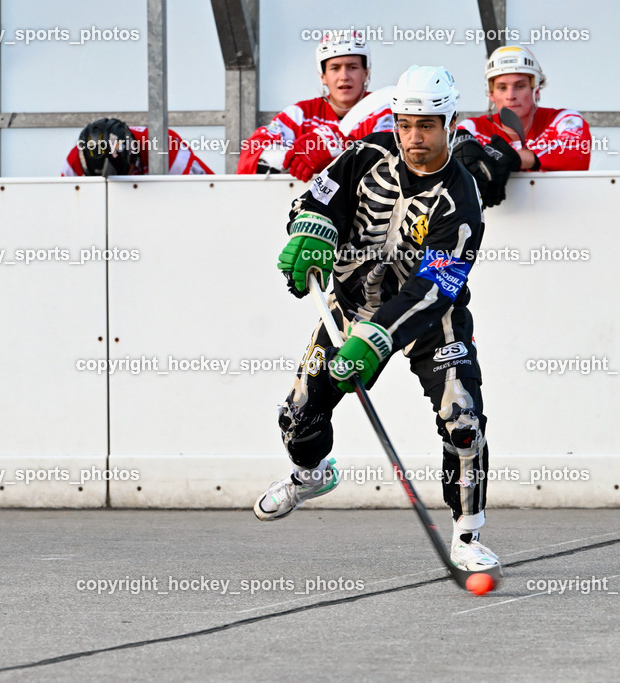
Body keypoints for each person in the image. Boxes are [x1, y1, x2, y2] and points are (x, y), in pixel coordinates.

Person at [253, 65, 501, 575]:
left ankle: (468, 534)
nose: (415, 137)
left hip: (431, 320)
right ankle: (312, 474)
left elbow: (435, 286)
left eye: (428, 125)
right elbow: (318, 197)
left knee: (463, 422)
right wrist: (309, 235)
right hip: (349, 307)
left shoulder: (463, 198)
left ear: (451, 123)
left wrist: (377, 339)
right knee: (296, 419)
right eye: (407, 124)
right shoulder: (368, 153)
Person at [237, 30, 394, 180]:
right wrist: (292, 159)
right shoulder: (300, 114)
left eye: (352, 67)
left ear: (366, 73)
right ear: (323, 76)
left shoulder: (383, 108)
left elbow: (392, 158)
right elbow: (252, 150)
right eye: (335, 68)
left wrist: (338, 148)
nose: (344, 76)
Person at [454, 46, 591, 205]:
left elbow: (578, 152)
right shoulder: (472, 128)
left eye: (520, 86)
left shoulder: (564, 119)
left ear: (536, 90)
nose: (510, 96)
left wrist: (516, 158)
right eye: (502, 88)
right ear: (491, 94)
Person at [61, 117, 214, 176]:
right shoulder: (73, 163)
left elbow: (202, 197)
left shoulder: (166, 149)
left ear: (133, 155)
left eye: (125, 173)